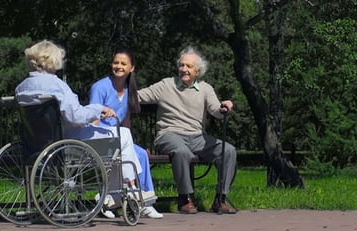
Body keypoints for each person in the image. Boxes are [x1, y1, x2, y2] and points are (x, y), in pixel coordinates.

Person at [14, 39, 144, 217]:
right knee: (124, 134)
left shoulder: (21, 88)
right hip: (71, 140)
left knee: (118, 146)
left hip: (38, 143)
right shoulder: (57, 85)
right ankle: (130, 188)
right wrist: (99, 109)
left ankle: (117, 193)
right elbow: (76, 117)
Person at [137, 46, 238, 214]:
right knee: (182, 152)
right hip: (169, 134)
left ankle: (220, 199)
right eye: (181, 65)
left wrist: (224, 107)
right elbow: (138, 96)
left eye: (188, 66)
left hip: (197, 137)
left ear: (197, 71)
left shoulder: (205, 88)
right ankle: (185, 198)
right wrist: (117, 93)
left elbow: (215, 110)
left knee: (228, 151)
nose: (183, 69)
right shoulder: (166, 85)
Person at [89, 49, 163, 219]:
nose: (118, 66)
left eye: (123, 63)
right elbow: (93, 117)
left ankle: (145, 202)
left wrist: (132, 144)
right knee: (123, 155)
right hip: (102, 137)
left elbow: (126, 122)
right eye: (116, 62)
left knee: (141, 154)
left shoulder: (130, 90)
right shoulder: (100, 87)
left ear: (132, 68)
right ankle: (120, 196)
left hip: (120, 136)